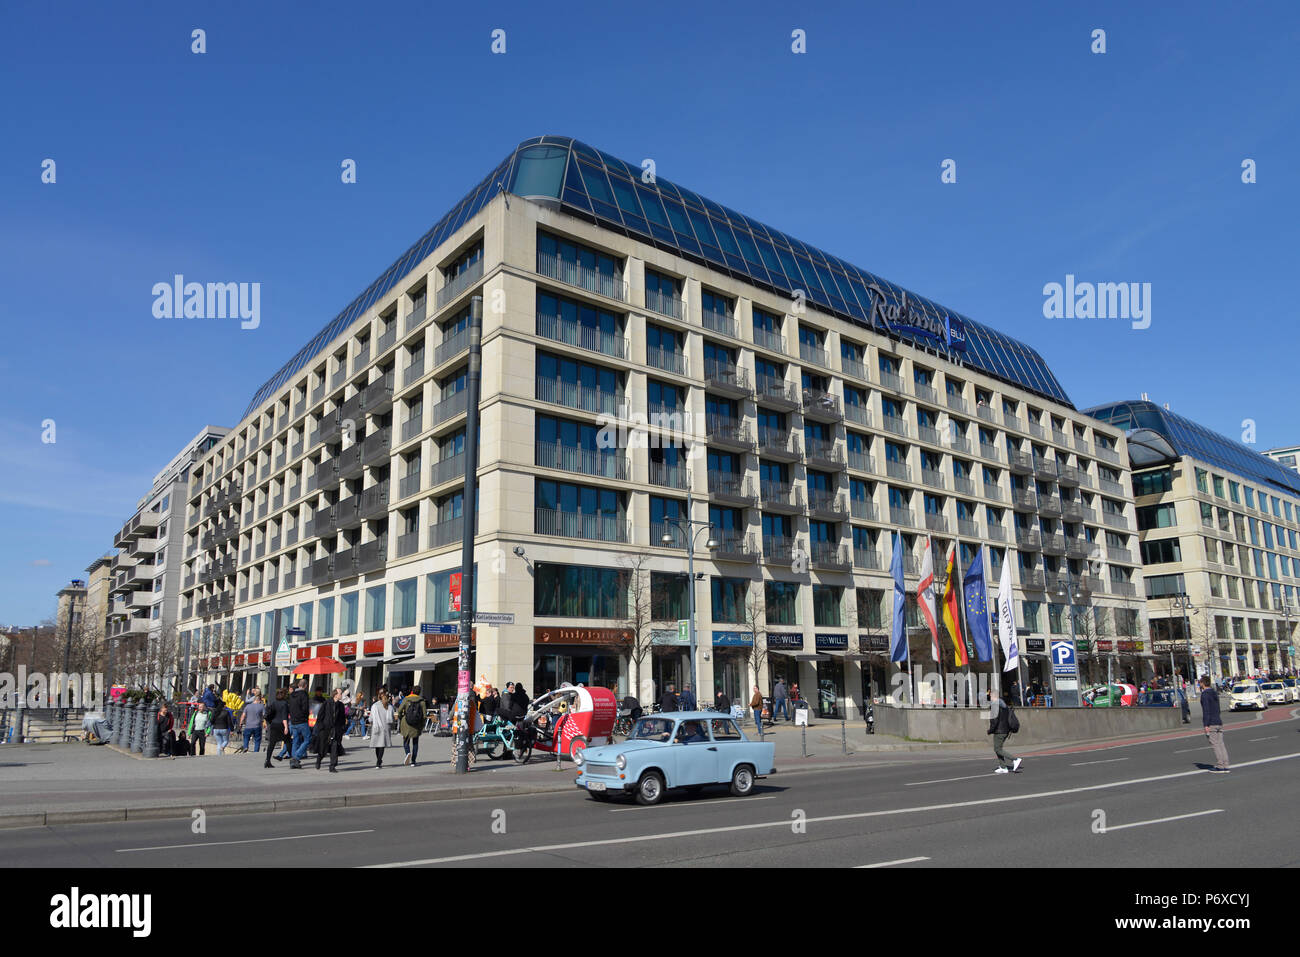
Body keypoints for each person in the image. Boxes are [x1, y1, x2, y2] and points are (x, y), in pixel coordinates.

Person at [987, 687, 1022, 774]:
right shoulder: (1003, 705)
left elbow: (994, 720)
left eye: (990, 695)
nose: (989, 696)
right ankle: (1003, 767)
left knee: (998, 749)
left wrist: (990, 730)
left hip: (999, 730)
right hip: (1005, 730)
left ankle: (1015, 759)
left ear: (993, 695)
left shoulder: (995, 705)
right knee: (998, 748)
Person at [1200, 675, 1229, 773]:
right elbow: (1218, 708)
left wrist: (1206, 725)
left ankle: (1220, 766)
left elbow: (1206, 710)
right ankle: (1226, 764)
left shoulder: (1205, 694)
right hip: (1218, 721)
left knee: (1215, 744)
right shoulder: (1214, 693)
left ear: (1202, 684)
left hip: (1211, 722)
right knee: (1221, 743)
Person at [315, 688, 346, 772]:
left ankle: (332, 766)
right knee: (323, 748)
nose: (341, 695)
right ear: (335, 694)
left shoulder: (341, 705)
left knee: (334, 748)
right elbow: (320, 716)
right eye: (340, 693)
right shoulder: (327, 703)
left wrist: (342, 728)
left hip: (336, 730)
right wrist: (321, 727)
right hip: (326, 729)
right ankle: (319, 759)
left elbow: (343, 718)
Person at [263, 687, 291, 769]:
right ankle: (293, 759)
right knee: (288, 741)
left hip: (274, 724)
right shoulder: (285, 704)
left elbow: (269, 713)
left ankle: (267, 761)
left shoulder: (274, 703)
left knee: (271, 743)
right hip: (281, 724)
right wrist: (286, 727)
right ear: (284, 695)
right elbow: (284, 717)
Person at [397, 687, 424, 767]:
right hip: (417, 724)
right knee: (415, 743)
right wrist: (422, 724)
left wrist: (401, 717)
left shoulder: (406, 699)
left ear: (412, 691)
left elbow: (399, 710)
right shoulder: (421, 701)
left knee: (406, 741)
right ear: (419, 692)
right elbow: (425, 715)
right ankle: (413, 761)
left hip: (406, 723)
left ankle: (408, 753)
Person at [288, 679, 312, 769]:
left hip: (293, 721)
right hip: (302, 721)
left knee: (295, 741)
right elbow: (305, 708)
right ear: (305, 686)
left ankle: (294, 761)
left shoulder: (292, 695)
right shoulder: (304, 694)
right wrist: (306, 716)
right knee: (307, 739)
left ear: (298, 685)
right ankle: (296, 757)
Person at [369, 687, 395, 769]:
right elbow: (392, 718)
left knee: (378, 745)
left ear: (379, 696)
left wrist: (371, 721)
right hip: (385, 727)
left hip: (377, 727)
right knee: (382, 745)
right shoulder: (389, 706)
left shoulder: (374, 706)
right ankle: (379, 761)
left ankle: (378, 760)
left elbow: (371, 718)